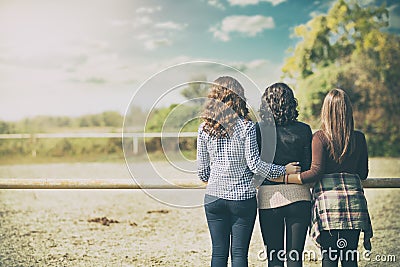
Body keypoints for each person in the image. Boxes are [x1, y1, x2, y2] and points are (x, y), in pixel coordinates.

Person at [197, 76, 300, 267]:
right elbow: (254, 165)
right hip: (242, 199)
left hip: (213, 198)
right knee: (239, 255)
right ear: (239, 98)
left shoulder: (203, 128)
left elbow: (203, 172)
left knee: (218, 254)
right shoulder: (246, 126)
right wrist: (283, 170)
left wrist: (218, 178)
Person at [280, 88, 373, 267]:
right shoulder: (359, 138)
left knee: (329, 258)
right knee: (350, 257)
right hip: (354, 205)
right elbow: (363, 174)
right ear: (348, 110)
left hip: (329, 206)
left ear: (326, 111)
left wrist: (286, 178)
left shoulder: (320, 138)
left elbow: (315, 172)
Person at [255, 82, 313, 267]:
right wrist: (288, 175)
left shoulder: (258, 130)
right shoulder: (304, 129)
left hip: (269, 200)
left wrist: (274, 175)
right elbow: (307, 166)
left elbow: (257, 170)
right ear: (291, 103)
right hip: (300, 198)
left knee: (274, 259)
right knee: (295, 259)